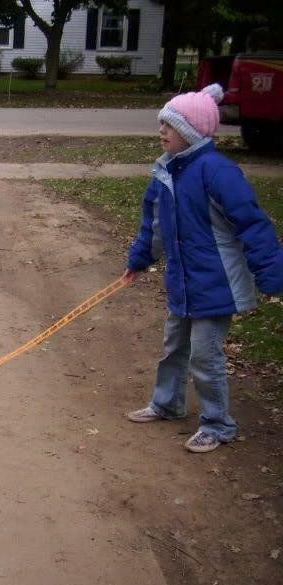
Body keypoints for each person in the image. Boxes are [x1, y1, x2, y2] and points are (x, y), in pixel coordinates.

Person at [124, 83, 282, 452]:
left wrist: (271, 273)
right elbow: (154, 226)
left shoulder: (217, 171)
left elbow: (253, 223)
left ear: (192, 131)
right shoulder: (166, 173)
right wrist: (139, 259)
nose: (161, 131)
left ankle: (217, 424)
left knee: (204, 356)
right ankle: (167, 404)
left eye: (171, 125)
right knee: (174, 346)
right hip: (183, 283)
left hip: (218, 284)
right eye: (162, 123)